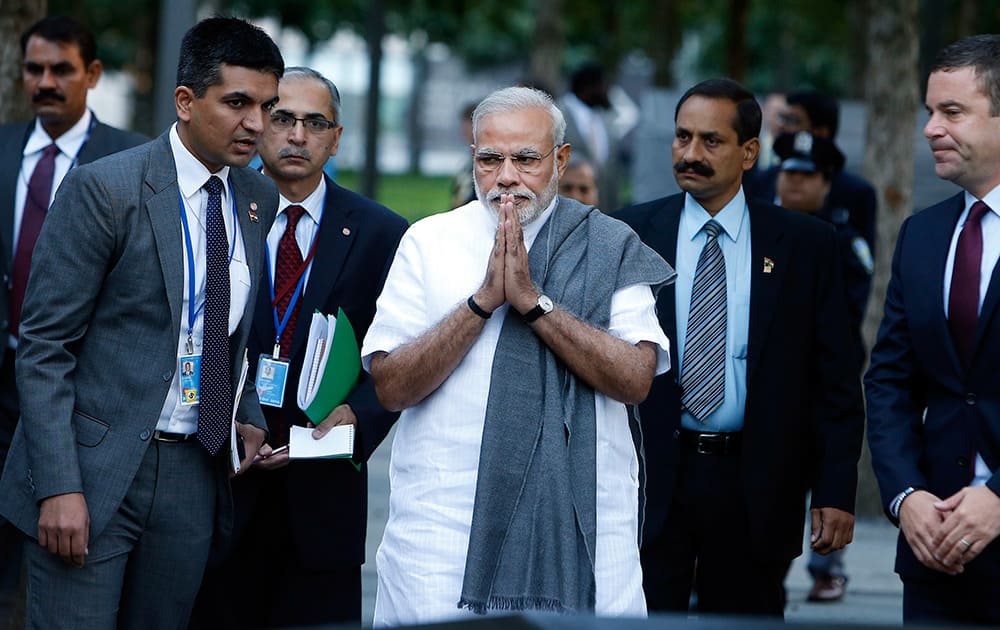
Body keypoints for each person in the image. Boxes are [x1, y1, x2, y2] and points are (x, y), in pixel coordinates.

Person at [0, 16, 283, 629]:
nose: (257, 123)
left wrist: (247, 412)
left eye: (267, 105)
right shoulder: (106, 189)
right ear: (185, 101)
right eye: (238, 103)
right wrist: (57, 486)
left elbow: (225, 329)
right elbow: (45, 347)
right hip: (91, 470)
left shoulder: (256, 200)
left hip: (192, 472)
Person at [361, 86, 674, 625]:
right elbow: (391, 387)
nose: (506, 176)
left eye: (526, 158)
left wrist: (533, 303)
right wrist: (482, 302)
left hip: (586, 529)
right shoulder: (427, 242)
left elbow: (636, 378)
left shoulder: (609, 244)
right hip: (443, 536)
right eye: (489, 159)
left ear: (562, 159)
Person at [616, 78, 864, 618]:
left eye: (711, 141)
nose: (691, 154)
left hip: (757, 482)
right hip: (651, 478)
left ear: (750, 152)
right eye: (682, 138)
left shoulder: (806, 244)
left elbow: (836, 380)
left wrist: (835, 491)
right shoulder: (632, 232)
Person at [191, 67, 407, 628]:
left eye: (316, 123)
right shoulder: (211, 212)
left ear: (336, 138)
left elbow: (397, 357)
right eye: (283, 118)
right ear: (260, 122)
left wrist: (354, 420)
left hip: (323, 499)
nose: (296, 135)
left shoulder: (382, 233)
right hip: (220, 487)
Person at [0, 17, 146, 623]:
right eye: (35, 70)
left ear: (91, 74)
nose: (46, 82)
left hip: (79, 390)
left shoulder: (131, 160)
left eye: (61, 69)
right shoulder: (4, 149)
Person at [865, 33, 1000, 625]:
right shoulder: (921, 235)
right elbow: (889, 380)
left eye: (952, 112)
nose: (929, 129)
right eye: (928, 112)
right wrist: (906, 496)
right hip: (934, 554)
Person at [773, 130, 873, 602]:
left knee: (828, 463)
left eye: (806, 175)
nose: (795, 183)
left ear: (826, 183)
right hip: (771, 381)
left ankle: (826, 565)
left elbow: (845, 318)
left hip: (824, 375)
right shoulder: (757, 228)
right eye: (789, 172)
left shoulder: (841, 241)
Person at [746, 89, 877, 266]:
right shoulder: (760, 181)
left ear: (821, 132)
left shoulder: (856, 192)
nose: (783, 126)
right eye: (790, 173)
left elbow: (858, 269)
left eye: (792, 120)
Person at [559, 63, 622, 211]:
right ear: (589, 86)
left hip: (603, 212)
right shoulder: (557, 114)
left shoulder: (603, 118)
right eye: (604, 85)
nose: (607, 90)